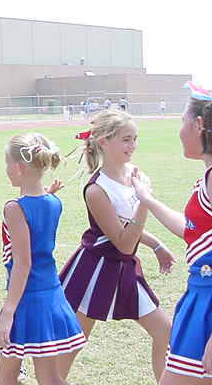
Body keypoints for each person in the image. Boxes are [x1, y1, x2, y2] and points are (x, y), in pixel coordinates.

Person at [57, 110, 174, 382]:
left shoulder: (134, 174)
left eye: (135, 138)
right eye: (125, 139)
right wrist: (144, 201)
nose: (133, 145)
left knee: (165, 332)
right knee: (74, 343)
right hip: (94, 271)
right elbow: (123, 242)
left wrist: (156, 245)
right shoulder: (96, 189)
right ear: (103, 142)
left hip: (123, 268)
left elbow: (126, 227)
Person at [131, 83, 212, 383]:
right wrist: (147, 199)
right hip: (200, 297)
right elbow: (193, 231)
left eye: (182, 120)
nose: (179, 131)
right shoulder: (207, 177)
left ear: (199, 124)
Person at [0, 133, 86, 384]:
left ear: (18, 167)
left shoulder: (14, 207)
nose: (6, 170)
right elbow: (39, 216)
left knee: (6, 375)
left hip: (25, 298)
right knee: (49, 377)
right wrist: (46, 193)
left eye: (7, 164)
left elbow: (23, 263)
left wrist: (7, 312)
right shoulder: (54, 201)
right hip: (51, 293)